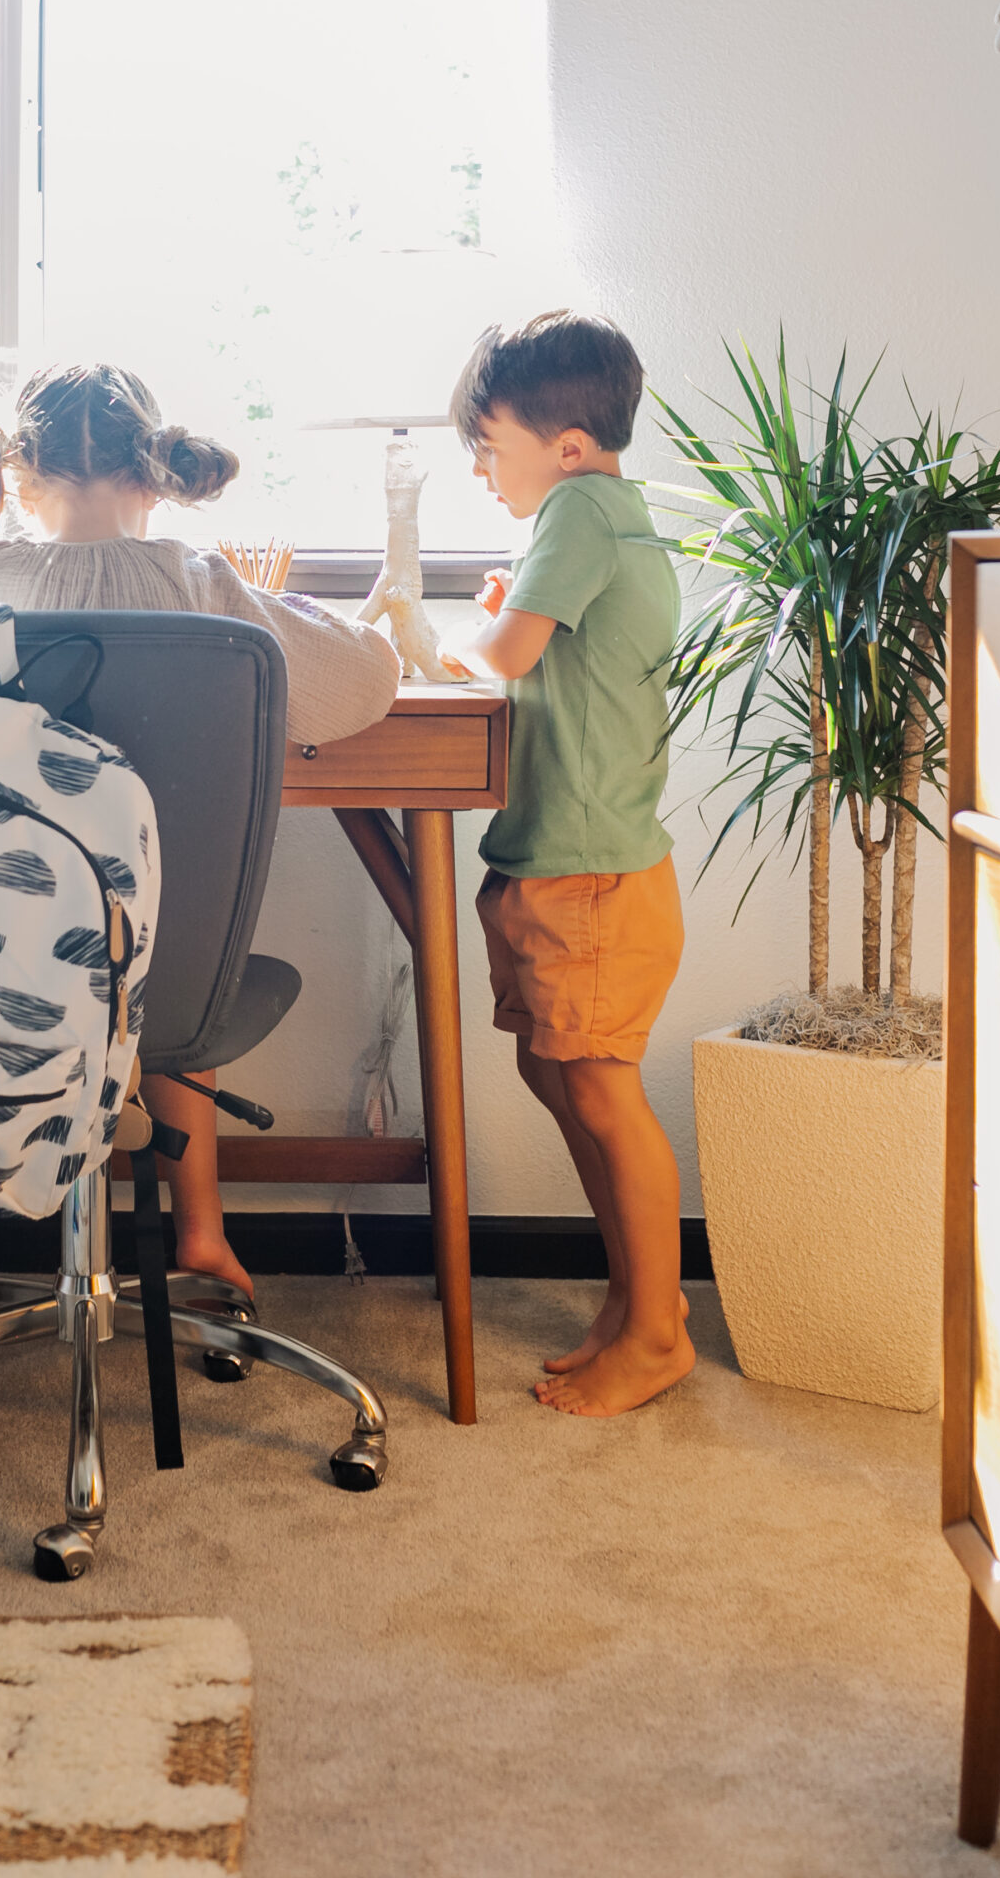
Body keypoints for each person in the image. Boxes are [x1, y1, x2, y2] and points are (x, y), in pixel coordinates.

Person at [0, 360, 401, 1314]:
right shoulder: (199, 583)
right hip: (157, 971)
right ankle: (201, 1236)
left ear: (14, 476)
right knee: (164, 924)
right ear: (155, 474)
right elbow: (364, 688)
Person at [441, 311, 691, 1418]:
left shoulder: (582, 507)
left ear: (571, 445)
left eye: (491, 446)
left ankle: (659, 1330)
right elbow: (550, 652)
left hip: (588, 872)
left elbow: (502, 659)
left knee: (597, 1089)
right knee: (560, 1076)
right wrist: (510, 620)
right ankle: (633, 1305)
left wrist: (449, 632)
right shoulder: (604, 516)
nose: (483, 469)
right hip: (568, 860)